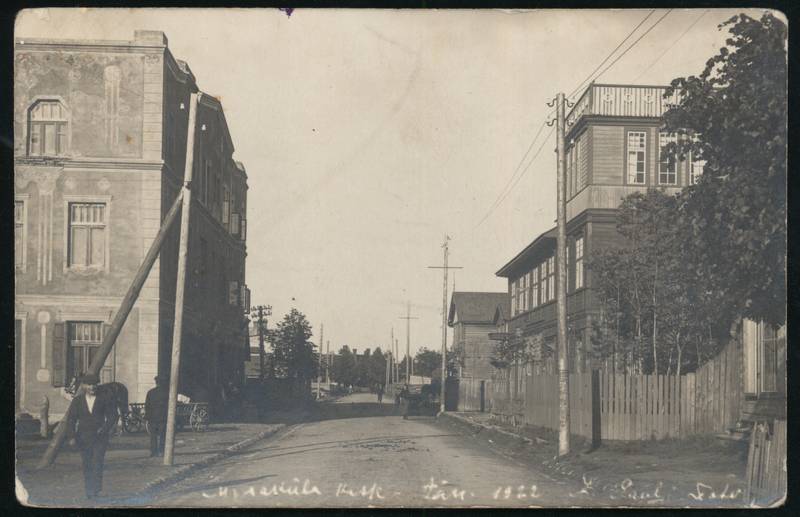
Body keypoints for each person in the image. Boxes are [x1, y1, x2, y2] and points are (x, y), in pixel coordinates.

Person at [65, 373, 117, 500]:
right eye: (89, 384)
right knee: (87, 463)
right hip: (83, 437)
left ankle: (96, 489)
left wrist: (104, 429)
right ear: (83, 386)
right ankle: (89, 489)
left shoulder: (104, 398)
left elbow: (113, 416)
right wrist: (71, 436)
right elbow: (71, 419)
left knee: (97, 462)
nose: (92, 387)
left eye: (94, 384)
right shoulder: (77, 401)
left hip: (100, 438)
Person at [144, 374, 169, 457]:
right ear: (164, 383)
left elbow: (147, 406)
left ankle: (153, 452)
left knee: (153, 436)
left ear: (156, 382)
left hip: (152, 418)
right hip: (163, 417)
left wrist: (147, 417)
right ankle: (162, 451)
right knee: (163, 435)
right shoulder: (167, 392)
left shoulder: (150, 392)